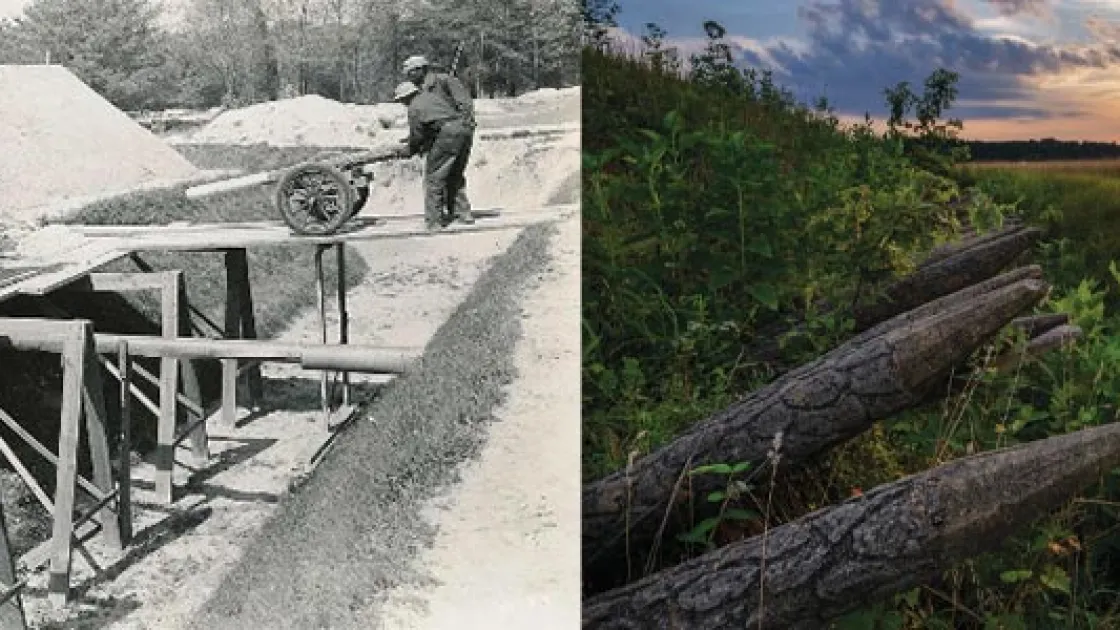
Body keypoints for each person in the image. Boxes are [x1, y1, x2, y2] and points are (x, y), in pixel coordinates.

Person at [392, 54, 477, 230]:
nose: (409, 76)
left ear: (421, 69)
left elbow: (465, 106)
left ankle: (434, 222)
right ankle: (463, 213)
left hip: (451, 132)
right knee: (453, 173)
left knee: (434, 178)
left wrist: (410, 149)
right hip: (457, 132)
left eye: (411, 72)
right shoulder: (425, 94)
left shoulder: (443, 81)